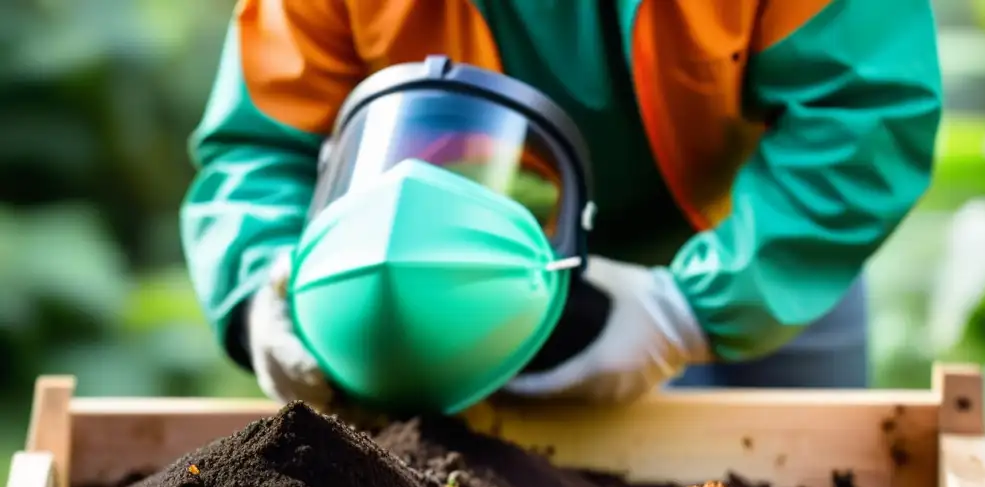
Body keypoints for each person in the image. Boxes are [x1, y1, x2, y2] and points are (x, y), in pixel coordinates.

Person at [180, 0, 943, 411]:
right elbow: (262, 144)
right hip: (471, 291)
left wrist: (695, 310)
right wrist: (260, 286)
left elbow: (863, 111)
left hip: (766, 240)